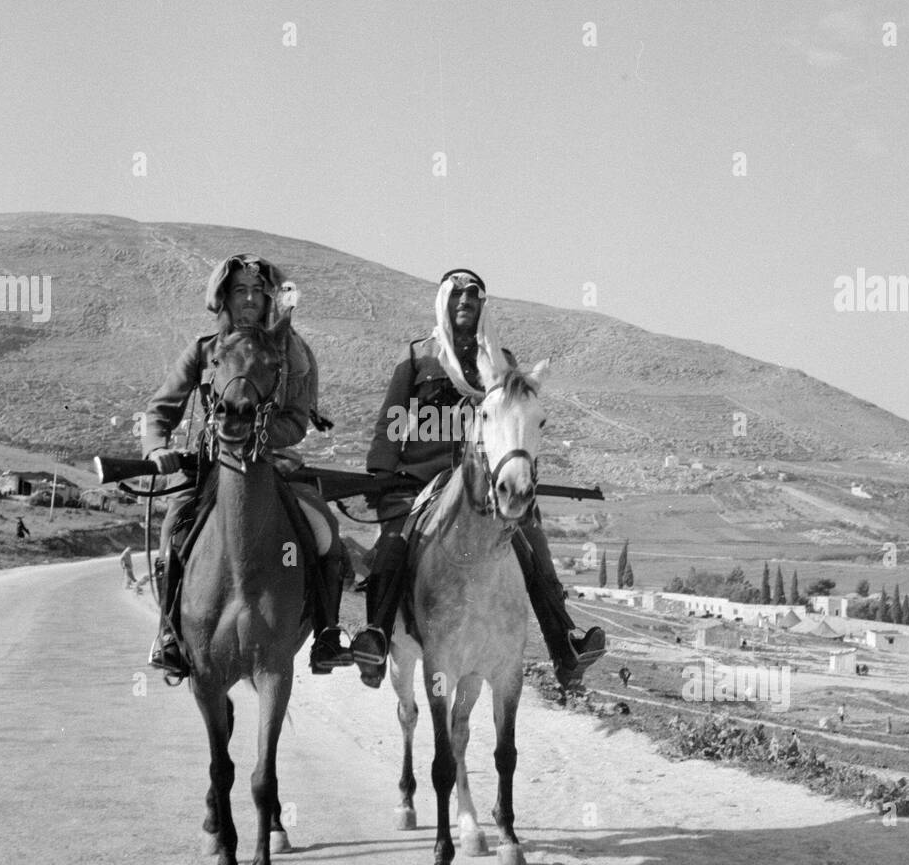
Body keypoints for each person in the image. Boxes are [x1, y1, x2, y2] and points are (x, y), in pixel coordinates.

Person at [350, 267, 605, 690]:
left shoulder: (502, 362)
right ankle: (376, 640)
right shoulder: (418, 356)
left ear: (482, 306)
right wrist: (383, 476)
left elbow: (516, 420)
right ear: (443, 302)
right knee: (393, 545)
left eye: (473, 296)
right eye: (456, 295)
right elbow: (392, 421)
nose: (464, 302)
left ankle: (565, 645)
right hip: (422, 480)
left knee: (531, 544)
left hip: (486, 485)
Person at [142, 253, 353, 680]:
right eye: (241, 290)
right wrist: (155, 447)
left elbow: (296, 420)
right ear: (225, 297)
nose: (252, 299)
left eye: (260, 291)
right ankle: (168, 634)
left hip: (270, 467)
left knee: (324, 532)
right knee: (172, 532)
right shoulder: (203, 351)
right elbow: (161, 409)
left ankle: (327, 635)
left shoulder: (294, 354)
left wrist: (260, 435)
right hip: (209, 468)